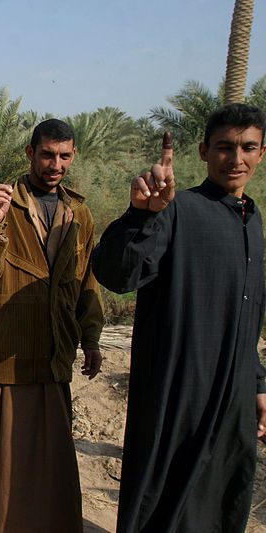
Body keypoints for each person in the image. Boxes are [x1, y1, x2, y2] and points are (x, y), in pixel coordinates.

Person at [92, 103, 266, 532]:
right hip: (179, 393)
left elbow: (248, 312)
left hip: (234, 395)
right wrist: (141, 214)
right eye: (225, 147)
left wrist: (257, 382)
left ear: (262, 153)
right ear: (205, 151)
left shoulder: (251, 220)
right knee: (165, 501)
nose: (236, 159)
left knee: (223, 495)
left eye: (248, 148)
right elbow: (118, 274)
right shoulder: (175, 210)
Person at [0, 119, 104, 533]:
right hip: (9, 349)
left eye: (63, 156)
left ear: (72, 156)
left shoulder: (79, 211)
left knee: (50, 455)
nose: (54, 164)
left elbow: (86, 280)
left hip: (55, 349)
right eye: (46, 155)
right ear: (29, 153)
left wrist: (90, 337)